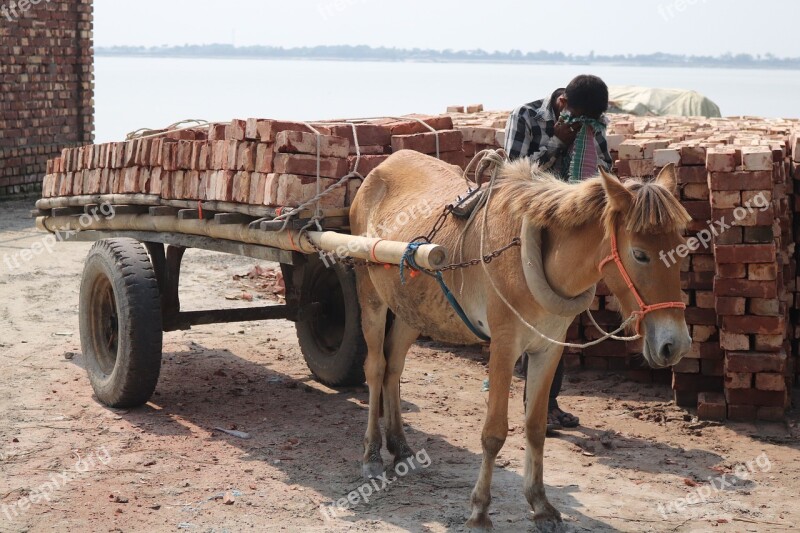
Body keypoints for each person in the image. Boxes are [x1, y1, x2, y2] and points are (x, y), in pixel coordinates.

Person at [504, 74, 612, 432]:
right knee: (535, 314)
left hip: (570, 225)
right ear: (563, 104)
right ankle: (536, 406)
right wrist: (556, 145)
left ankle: (548, 404)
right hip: (529, 224)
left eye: (592, 122)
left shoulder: (594, 122)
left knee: (559, 313)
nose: (586, 126)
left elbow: (605, 169)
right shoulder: (528, 116)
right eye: (579, 119)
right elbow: (513, 176)